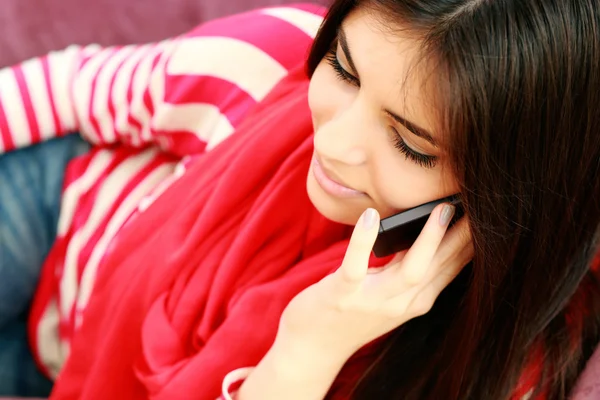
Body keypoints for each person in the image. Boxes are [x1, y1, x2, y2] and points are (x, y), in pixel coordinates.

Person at [0, 1, 599, 399]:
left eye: (411, 144)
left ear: (503, 196)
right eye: (343, 68)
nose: (332, 145)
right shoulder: (269, 57)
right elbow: (65, 88)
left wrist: (311, 346)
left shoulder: (495, 367)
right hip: (52, 218)